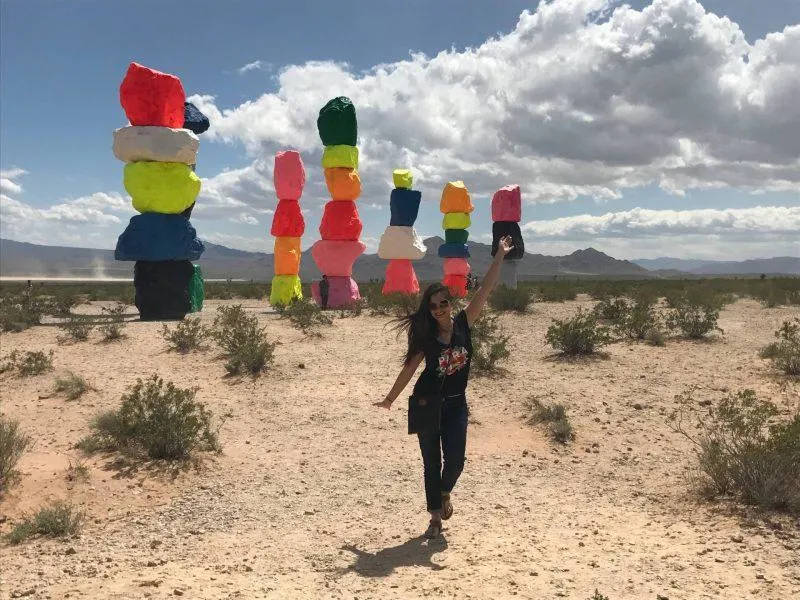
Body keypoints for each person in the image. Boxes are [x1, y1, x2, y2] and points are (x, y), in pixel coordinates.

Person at [375, 236, 514, 539]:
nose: (438, 309)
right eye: (433, 306)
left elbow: (486, 288)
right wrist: (389, 399)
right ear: (429, 309)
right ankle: (435, 518)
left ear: (451, 304)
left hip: (455, 404)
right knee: (430, 463)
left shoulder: (465, 323)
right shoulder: (426, 338)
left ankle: (445, 491)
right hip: (427, 403)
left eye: (443, 303)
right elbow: (409, 369)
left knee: (455, 460)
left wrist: (500, 256)